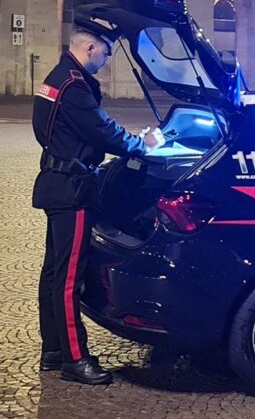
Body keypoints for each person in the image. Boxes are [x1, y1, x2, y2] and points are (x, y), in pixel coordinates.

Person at [32, 28, 165, 385]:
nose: (106, 62)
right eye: (105, 54)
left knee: (53, 273)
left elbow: (48, 132)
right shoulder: (74, 86)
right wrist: (142, 145)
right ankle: (75, 359)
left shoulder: (58, 77)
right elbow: (103, 131)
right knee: (68, 279)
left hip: (57, 182)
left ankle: (53, 350)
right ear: (89, 48)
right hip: (72, 190)